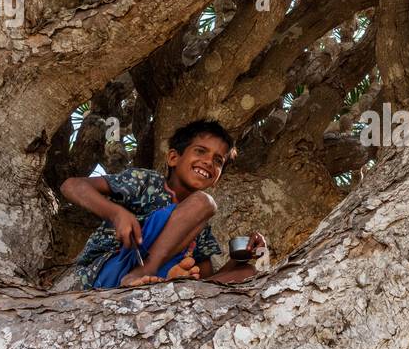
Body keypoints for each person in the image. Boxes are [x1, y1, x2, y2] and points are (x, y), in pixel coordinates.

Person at [61, 119, 266, 289]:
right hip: (109, 271)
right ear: (173, 157)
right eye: (201, 151)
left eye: (218, 161)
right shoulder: (146, 181)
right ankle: (143, 273)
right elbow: (71, 185)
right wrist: (116, 214)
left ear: (218, 177)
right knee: (204, 203)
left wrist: (241, 258)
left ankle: (167, 281)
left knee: (248, 273)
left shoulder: (200, 228)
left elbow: (207, 282)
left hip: (152, 285)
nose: (208, 162)